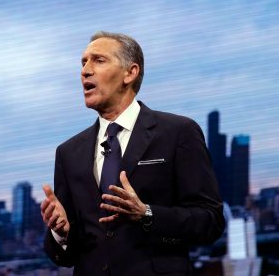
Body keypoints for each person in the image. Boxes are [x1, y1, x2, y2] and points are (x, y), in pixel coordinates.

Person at [41, 31, 225, 275]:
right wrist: (61, 233)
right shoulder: (68, 152)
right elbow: (67, 256)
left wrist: (146, 214)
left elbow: (210, 222)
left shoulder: (178, 133)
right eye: (83, 62)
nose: (85, 70)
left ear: (130, 72)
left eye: (98, 60)